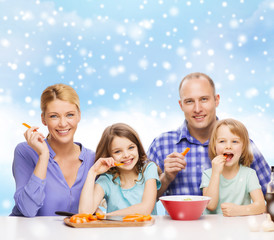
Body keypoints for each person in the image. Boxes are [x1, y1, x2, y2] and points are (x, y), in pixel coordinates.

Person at [147, 72, 271, 198]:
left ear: (216, 100)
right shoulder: (161, 145)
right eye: (189, 101)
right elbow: (141, 201)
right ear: (181, 105)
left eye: (204, 99)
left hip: (232, 218)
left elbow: (270, 191)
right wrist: (166, 178)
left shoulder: (243, 145)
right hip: (182, 218)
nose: (197, 109)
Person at [11, 84, 95, 217]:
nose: (62, 123)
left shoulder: (93, 159)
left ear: (79, 115)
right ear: (43, 119)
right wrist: (44, 156)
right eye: (54, 116)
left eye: (70, 115)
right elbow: (28, 210)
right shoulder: (25, 151)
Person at [79, 123, 161, 216]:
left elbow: (145, 209)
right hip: (116, 230)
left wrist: (106, 216)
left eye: (131, 147)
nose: (126, 155)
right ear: (109, 155)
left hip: (146, 230)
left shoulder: (149, 169)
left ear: (138, 147)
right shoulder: (106, 180)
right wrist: (92, 172)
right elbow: (84, 213)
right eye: (118, 151)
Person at [200, 119, 266, 216]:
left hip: (239, 227)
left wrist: (239, 210)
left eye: (235, 141)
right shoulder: (208, 174)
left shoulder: (249, 174)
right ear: (214, 146)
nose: (228, 146)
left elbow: (261, 206)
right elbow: (210, 205)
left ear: (243, 147)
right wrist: (216, 173)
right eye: (222, 141)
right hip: (213, 227)